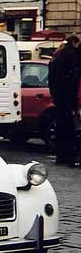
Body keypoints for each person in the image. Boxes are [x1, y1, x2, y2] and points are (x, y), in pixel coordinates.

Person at [48, 35, 81, 165]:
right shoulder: (73, 55)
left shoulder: (57, 56)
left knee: (61, 128)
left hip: (58, 98)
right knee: (71, 130)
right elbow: (73, 80)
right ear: (74, 42)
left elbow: (52, 80)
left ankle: (60, 156)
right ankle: (70, 158)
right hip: (69, 98)